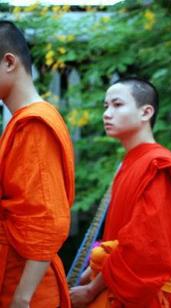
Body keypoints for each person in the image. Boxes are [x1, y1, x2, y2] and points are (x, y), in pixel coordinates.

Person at [70, 78, 171, 307]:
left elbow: (143, 247)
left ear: (146, 112)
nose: (107, 114)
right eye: (105, 106)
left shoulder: (158, 166)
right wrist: (88, 277)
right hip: (113, 287)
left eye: (117, 105)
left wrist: (91, 290)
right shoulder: (130, 163)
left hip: (143, 297)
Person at [0, 20, 75, 307]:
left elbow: (48, 220)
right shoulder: (21, 122)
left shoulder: (34, 124)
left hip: (27, 288)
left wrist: (22, 297)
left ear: (9, 62)